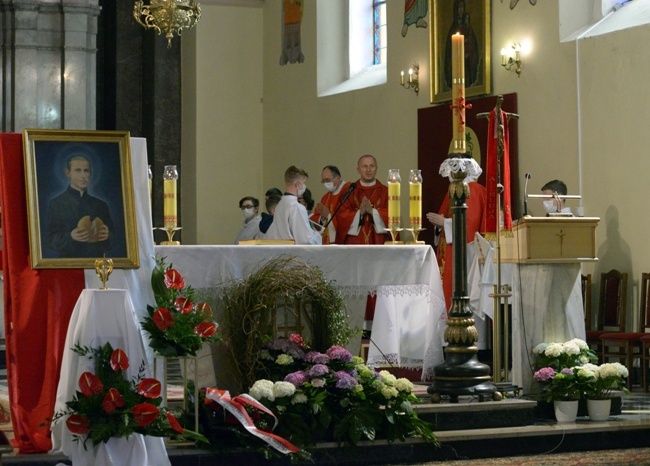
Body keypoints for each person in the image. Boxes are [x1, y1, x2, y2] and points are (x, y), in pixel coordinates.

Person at [426, 176, 486, 311]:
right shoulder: (452, 190)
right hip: (448, 252)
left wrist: (445, 223)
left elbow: (470, 226)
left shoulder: (474, 189)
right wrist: (439, 225)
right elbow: (445, 216)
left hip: (466, 256)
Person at [46, 154, 114, 258]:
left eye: (86, 170)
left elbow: (115, 240)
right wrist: (70, 236)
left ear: (90, 173)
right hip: (68, 265)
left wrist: (108, 236)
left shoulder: (101, 205)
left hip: (96, 264)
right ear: (68, 173)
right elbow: (50, 240)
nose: (83, 176)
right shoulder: (56, 203)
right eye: (78, 170)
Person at [337, 154, 389, 245]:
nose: (368, 170)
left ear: (376, 168)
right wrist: (359, 212)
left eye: (371, 166)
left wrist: (372, 211)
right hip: (354, 243)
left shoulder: (386, 191)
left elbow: (393, 216)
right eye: (365, 166)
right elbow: (341, 216)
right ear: (358, 169)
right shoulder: (349, 191)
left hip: (379, 242)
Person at [265, 165, 322, 245]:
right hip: (294, 254)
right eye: (303, 183)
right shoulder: (296, 207)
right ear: (297, 184)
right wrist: (318, 235)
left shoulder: (279, 205)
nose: (304, 187)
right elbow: (305, 241)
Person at [310, 165, 351, 245]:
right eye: (323, 181)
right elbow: (315, 218)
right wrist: (322, 217)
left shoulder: (348, 193)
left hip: (344, 243)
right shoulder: (326, 197)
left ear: (338, 178)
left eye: (327, 180)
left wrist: (328, 215)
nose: (325, 183)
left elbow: (348, 219)